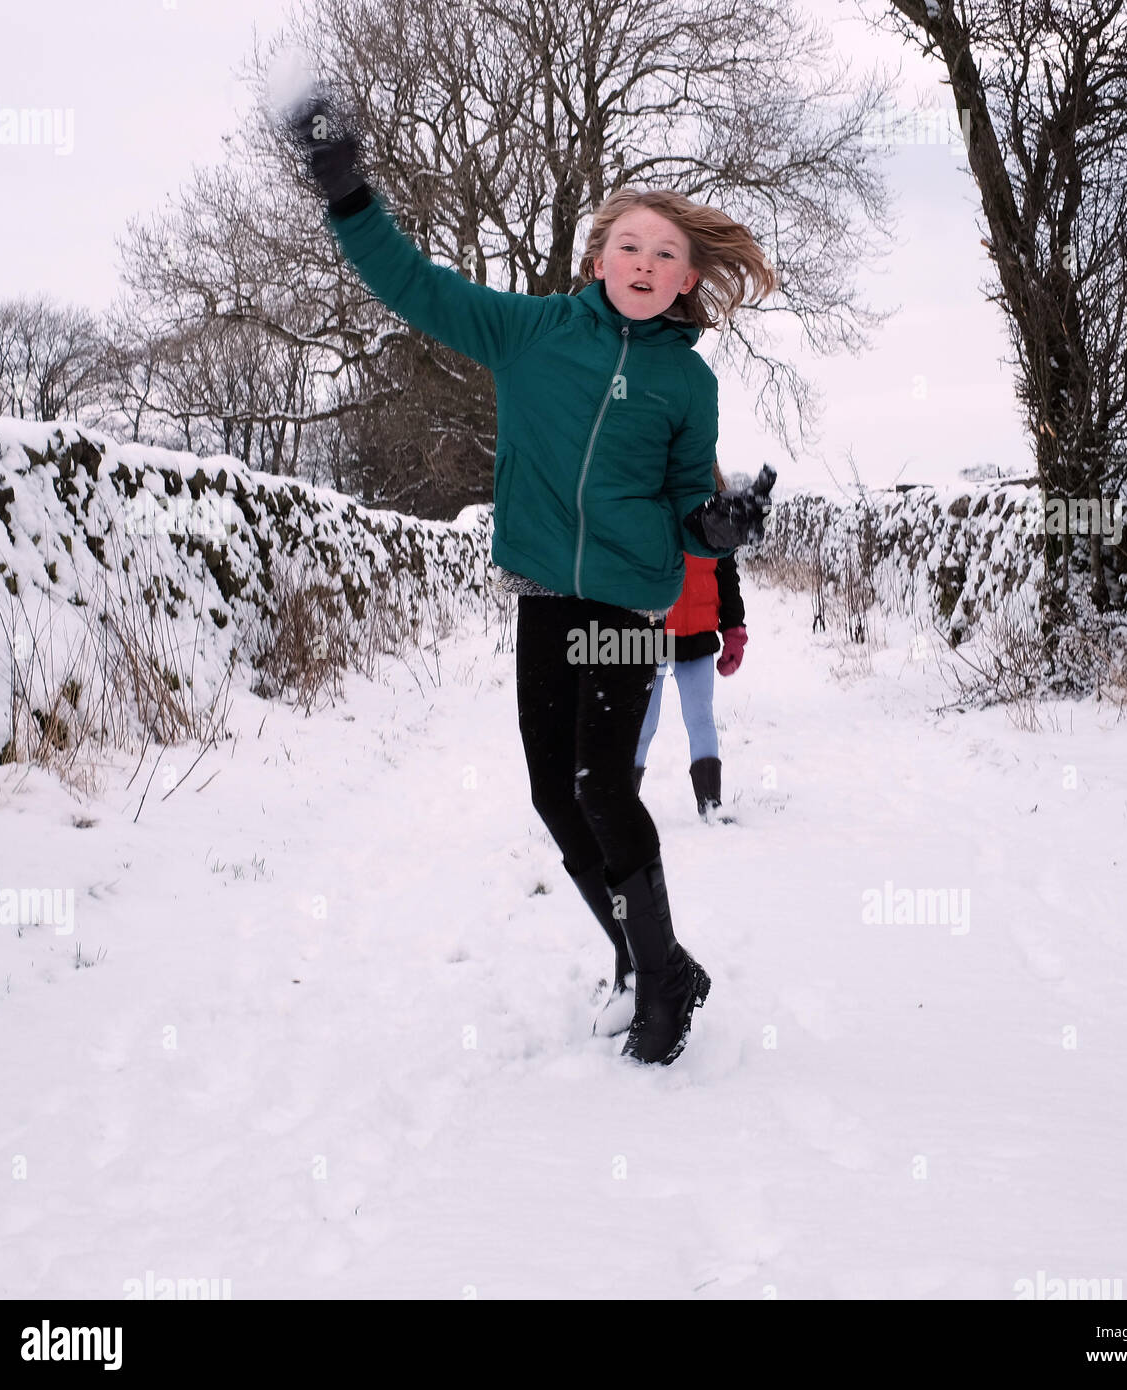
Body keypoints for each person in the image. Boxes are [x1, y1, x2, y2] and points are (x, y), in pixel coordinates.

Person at [286, 93, 777, 1065]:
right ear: (598, 258)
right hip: (547, 595)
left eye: (665, 255)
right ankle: (653, 960)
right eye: (629, 247)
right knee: (555, 794)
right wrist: (349, 196)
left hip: (630, 597)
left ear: (686, 281)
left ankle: (659, 991)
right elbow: (413, 286)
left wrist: (714, 527)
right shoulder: (530, 332)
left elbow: (689, 502)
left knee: (604, 784)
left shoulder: (688, 381)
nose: (645, 264)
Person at [633, 460, 748, 826]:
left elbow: (727, 577)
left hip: (697, 636)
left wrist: (734, 631)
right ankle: (618, 803)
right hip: (649, 636)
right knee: (641, 724)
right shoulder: (645, 506)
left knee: (700, 718)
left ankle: (711, 803)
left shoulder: (716, 514)